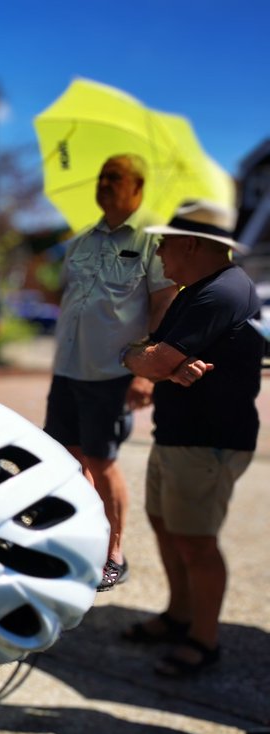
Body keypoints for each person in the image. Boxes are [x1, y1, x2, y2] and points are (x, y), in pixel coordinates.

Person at [118, 200, 261, 677]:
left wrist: (139, 358)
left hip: (207, 440)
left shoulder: (220, 292)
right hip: (181, 436)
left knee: (196, 543)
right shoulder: (197, 292)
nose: (158, 251)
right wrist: (154, 359)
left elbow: (154, 360)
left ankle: (204, 640)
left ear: (193, 244)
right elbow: (157, 356)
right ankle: (179, 617)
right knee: (168, 527)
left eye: (164, 241)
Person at [44, 154, 178, 591]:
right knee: (66, 461)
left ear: (138, 186)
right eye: (101, 176)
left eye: (115, 177)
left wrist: (146, 370)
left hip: (111, 372)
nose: (104, 184)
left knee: (102, 463)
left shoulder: (153, 239)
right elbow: (62, 295)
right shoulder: (82, 240)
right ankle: (80, 539)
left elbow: (164, 302)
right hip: (68, 368)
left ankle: (113, 555)